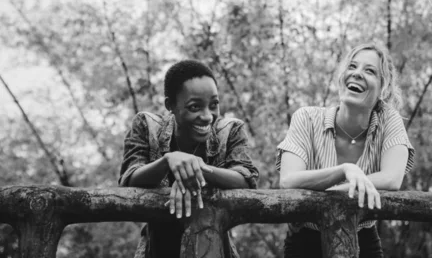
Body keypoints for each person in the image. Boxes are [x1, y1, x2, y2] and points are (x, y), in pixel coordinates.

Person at [277, 42, 415, 258]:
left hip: (364, 237)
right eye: (352, 66)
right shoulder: (306, 118)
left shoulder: (389, 121)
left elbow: (392, 179)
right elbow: (287, 180)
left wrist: (332, 193)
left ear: (383, 88)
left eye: (370, 71)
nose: (357, 74)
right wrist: (344, 170)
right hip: (305, 239)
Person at [119, 59, 258, 258]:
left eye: (214, 104)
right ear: (171, 105)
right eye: (195, 107)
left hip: (215, 248)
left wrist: (197, 170)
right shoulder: (146, 126)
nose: (208, 116)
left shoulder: (231, 130)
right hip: (157, 249)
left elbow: (246, 179)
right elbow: (128, 179)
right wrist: (168, 161)